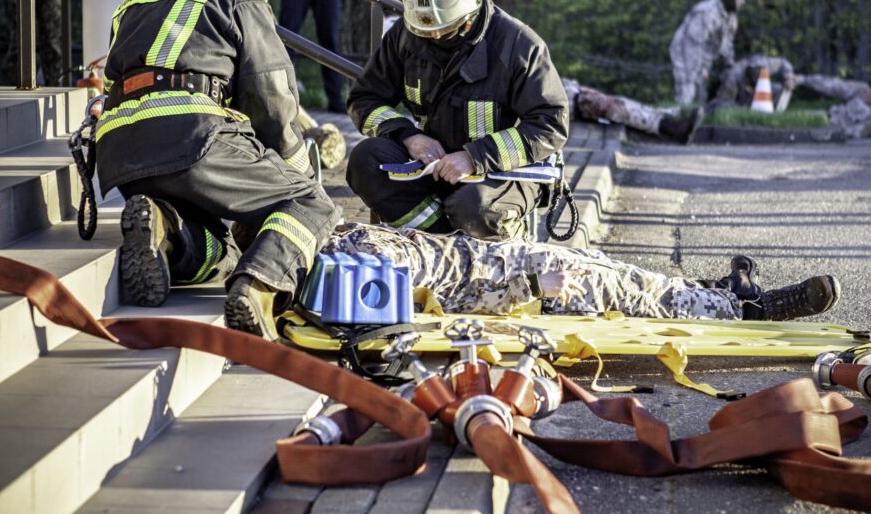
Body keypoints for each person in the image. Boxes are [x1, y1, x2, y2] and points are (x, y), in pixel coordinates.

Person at [95, 0, 338, 340]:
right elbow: (272, 94)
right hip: (191, 136)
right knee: (311, 205)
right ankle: (258, 286)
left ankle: (165, 225)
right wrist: (297, 174)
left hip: (121, 149)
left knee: (217, 245)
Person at [346, 0, 569, 240]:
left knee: (473, 208)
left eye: (446, 29)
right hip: (430, 168)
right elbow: (365, 98)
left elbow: (551, 124)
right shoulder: (404, 35)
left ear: (471, 8)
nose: (435, 37)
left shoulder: (517, 45)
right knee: (364, 162)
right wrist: (408, 136)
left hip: (498, 175)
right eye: (425, 31)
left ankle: (489, 242)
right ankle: (439, 240)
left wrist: (474, 156)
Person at [323, 223, 841, 321]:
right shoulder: (369, 267)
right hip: (533, 283)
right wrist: (530, 287)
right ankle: (754, 308)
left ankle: (717, 292)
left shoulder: (345, 236)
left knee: (627, 273)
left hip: (513, 254)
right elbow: (450, 304)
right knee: (633, 293)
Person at [714, 54, 871, 139]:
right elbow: (830, 85)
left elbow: (856, 134)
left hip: (836, 131)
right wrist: (798, 79)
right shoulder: (863, 91)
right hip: (829, 116)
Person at [669, 0, 746, 105]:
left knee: (701, 94)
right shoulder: (708, 12)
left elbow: (727, 43)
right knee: (687, 90)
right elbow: (692, 43)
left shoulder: (731, 16)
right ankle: (680, 117)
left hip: (704, 55)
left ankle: (696, 119)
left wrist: (731, 64)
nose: (743, 2)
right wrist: (700, 67)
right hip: (685, 51)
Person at [563, 78, 704, 144]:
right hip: (569, 101)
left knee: (621, 103)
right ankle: (673, 128)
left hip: (571, 96)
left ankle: (670, 121)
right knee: (617, 107)